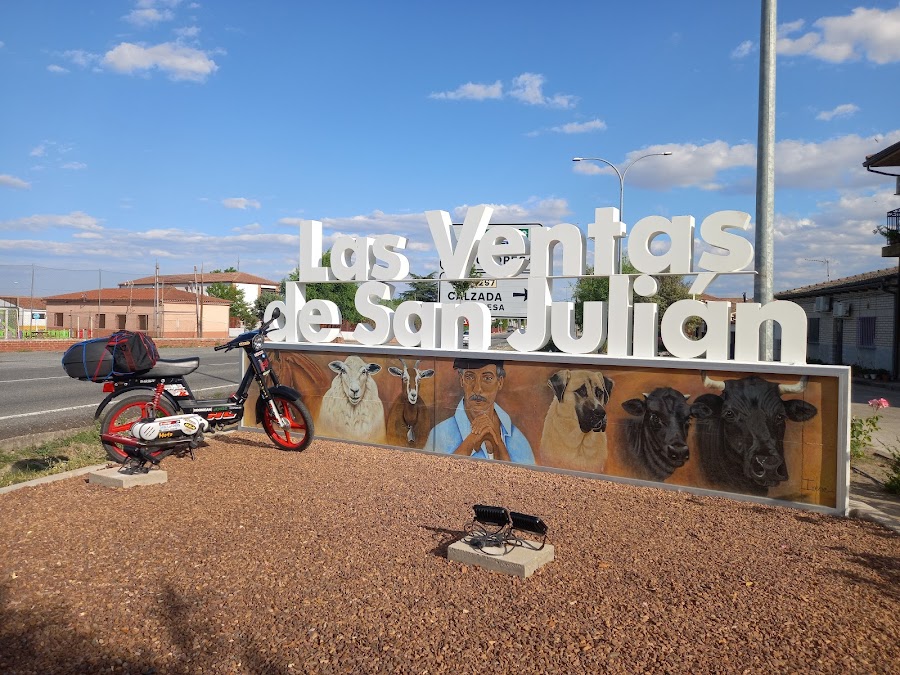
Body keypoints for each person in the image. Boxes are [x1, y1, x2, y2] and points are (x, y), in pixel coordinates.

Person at [424, 357, 535, 464]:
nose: (477, 389)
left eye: (487, 378)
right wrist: (472, 439)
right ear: (461, 380)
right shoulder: (439, 434)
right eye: (470, 377)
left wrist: (498, 444)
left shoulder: (518, 440)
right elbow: (436, 478)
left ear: (500, 382)